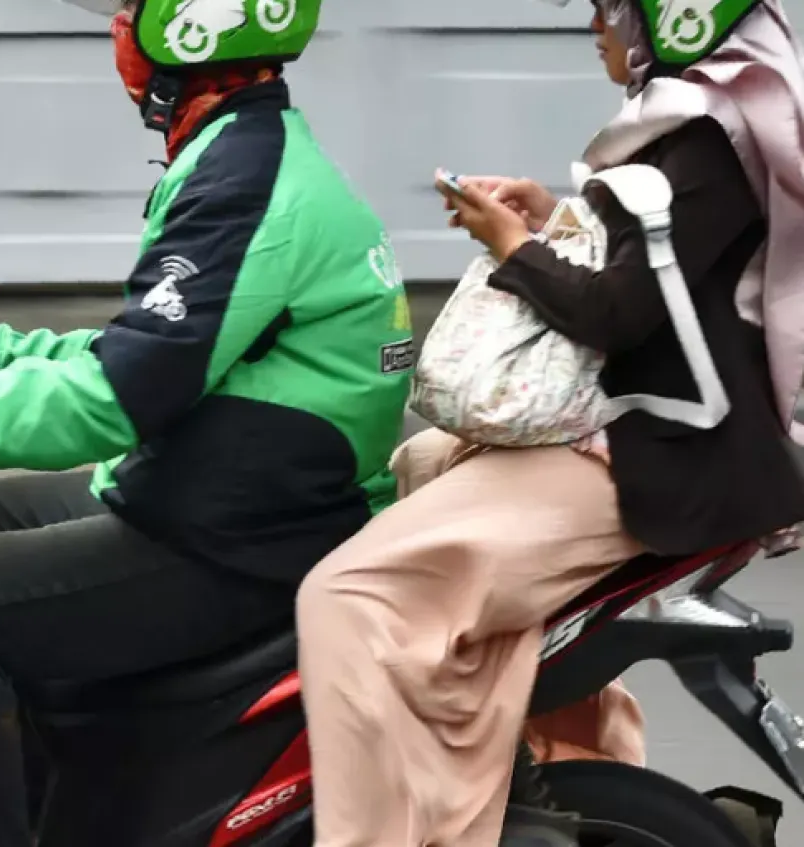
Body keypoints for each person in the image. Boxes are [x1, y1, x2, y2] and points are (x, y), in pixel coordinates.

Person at [0, 1, 416, 844]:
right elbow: (159, 347)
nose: (119, 26)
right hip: (236, 500)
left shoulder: (245, 186)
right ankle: (82, 804)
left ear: (196, 28)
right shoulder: (246, 157)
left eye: (134, 9)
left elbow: (118, 398)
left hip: (242, 542)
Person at [294, 1, 804, 846]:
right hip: (640, 434)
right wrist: (547, 223)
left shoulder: (713, 140)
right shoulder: (695, 128)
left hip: (657, 453)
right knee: (421, 461)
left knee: (346, 598)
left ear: (673, 18)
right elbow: (649, 269)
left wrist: (513, 247)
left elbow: (621, 314)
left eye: (612, 7)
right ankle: (529, 776)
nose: (597, 24)